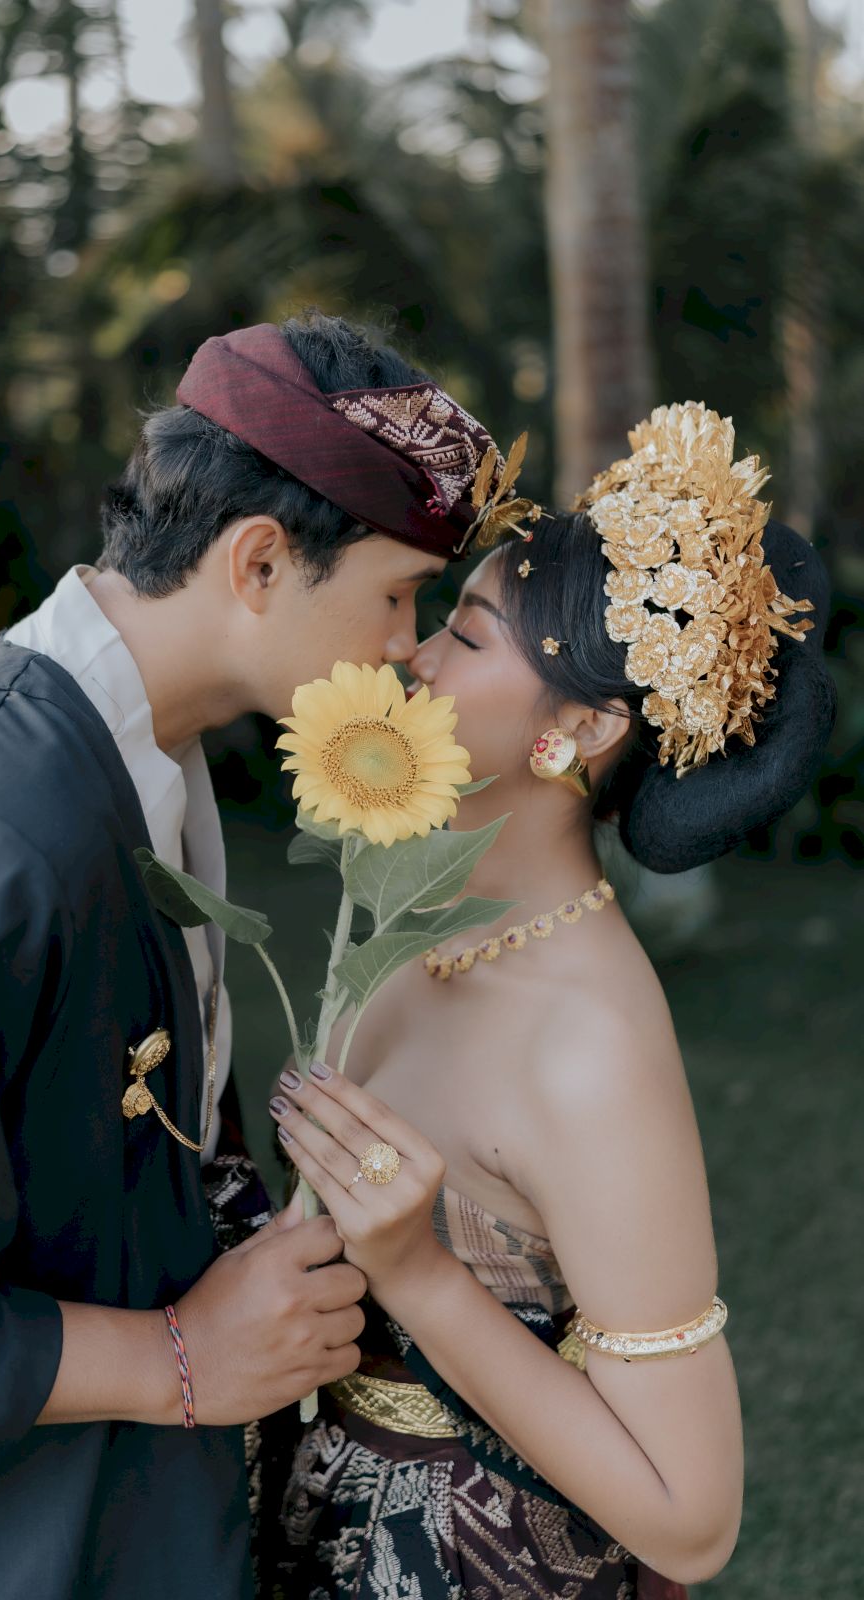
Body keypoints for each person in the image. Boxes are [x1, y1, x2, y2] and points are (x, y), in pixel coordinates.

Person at [0, 312, 506, 1599]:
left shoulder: (141, 745)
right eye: (397, 592)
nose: (408, 644)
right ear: (259, 561)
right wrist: (179, 1355)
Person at [261, 404, 835, 1597]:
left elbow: (690, 1519)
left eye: (464, 636)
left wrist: (418, 1272)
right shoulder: (408, 919)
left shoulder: (590, 1046)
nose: (413, 658)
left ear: (580, 727)